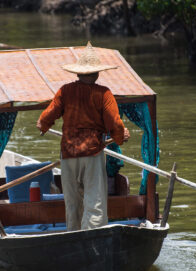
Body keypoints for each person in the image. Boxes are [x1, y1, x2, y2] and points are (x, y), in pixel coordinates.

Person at [37, 42, 130, 231]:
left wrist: (44, 126)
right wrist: (121, 136)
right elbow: (114, 122)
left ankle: (74, 234)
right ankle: (92, 238)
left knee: (72, 202)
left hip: (68, 154)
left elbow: (46, 117)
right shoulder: (104, 93)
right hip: (92, 153)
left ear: (78, 73)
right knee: (94, 202)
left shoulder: (65, 91)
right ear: (97, 73)